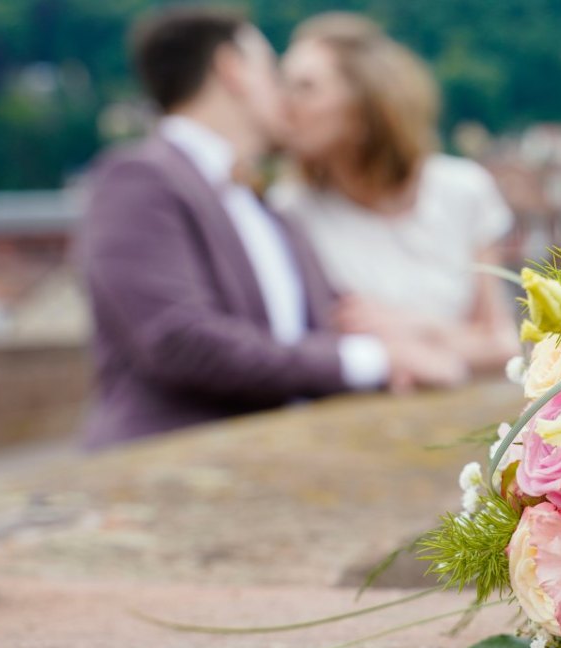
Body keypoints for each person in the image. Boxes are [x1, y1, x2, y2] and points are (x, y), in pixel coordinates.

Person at [77, 8, 463, 449]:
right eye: (272, 72)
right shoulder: (138, 176)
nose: (283, 95)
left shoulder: (268, 207)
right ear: (231, 69)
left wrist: (412, 338)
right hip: (166, 474)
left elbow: (329, 323)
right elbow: (178, 340)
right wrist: (373, 359)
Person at [272, 13, 519, 375]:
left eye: (306, 87)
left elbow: (503, 346)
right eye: (283, 85)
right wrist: (451, 345)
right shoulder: (290, 210)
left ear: (363, 105)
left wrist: (415, 328)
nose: (284, 105)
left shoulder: (464, 190)